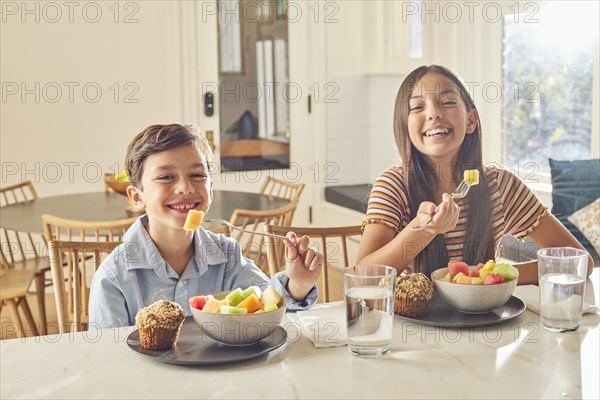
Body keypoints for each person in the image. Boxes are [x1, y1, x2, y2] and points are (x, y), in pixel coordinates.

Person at [356, 65, 593, 285]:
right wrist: (424, 230)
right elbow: (363, 276)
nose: (434, 113)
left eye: (448, 101)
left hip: (485, 320)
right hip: (409, 325)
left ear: (471, 120)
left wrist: (493, 276)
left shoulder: (499, 185)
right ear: (404, 126)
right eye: (418, 107)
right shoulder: (393, 185)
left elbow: (580, 263)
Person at [89, 124, 323, 328]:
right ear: (137, 197)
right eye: (166, 177)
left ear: (210, 188)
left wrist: (298, 284)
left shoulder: (227, 256)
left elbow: (268, 306)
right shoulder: (114, 277)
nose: (186, 188)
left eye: (197, 175)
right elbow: (109, 358)